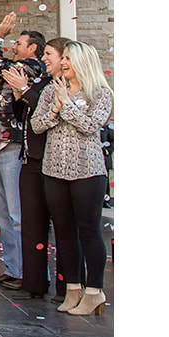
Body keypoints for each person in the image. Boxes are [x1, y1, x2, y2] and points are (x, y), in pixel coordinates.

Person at [30, 40, 113, 316]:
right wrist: (54, 107)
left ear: (83, 62)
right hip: (53, 170)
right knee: (63, 232)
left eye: (67, 58)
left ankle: (94, 292)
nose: (63, 63)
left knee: (88, 230)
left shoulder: (100, 93)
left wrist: (66, 105)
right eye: (62, 58)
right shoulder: (49, 90)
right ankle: (73, 289)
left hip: (87, 171)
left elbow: (90, 126)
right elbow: (36, 125)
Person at [0, 6, 47, 290]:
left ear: (33, 49)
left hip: (13, 145)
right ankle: (14, 268)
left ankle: (30, 272)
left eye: (19, 43)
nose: (14, 46)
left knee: (17, 214)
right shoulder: (14, 67)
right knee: (3, 214)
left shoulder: (31, 68)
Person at [2, 36, 67, 302]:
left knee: (62, 225)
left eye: (49, 54)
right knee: (31, 224)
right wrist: (19, 94)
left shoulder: (62, 85)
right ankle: (35, 282)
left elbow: (48, 110)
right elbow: (24, 114)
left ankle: (67, 286)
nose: (44, 59)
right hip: (30, 158)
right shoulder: (40, 82)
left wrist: (25, 90)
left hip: (52, 161)